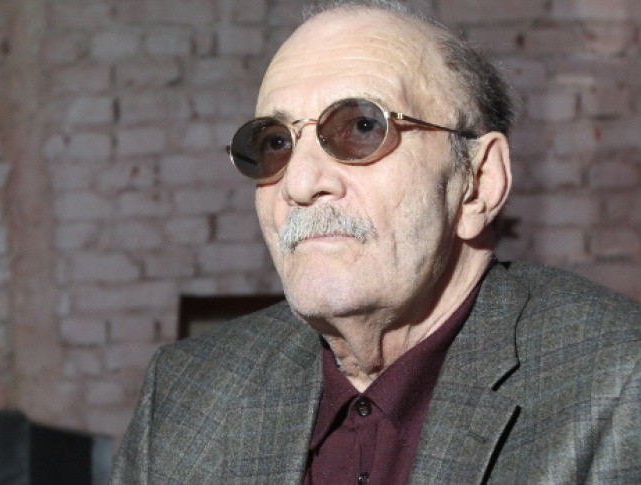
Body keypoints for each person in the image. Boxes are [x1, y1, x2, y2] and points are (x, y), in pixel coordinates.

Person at [109, 1, 641, 483]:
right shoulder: (186, 393)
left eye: (363, 127)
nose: (300, 184)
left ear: (479, 181)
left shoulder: (618, 381)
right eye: (275, 143)